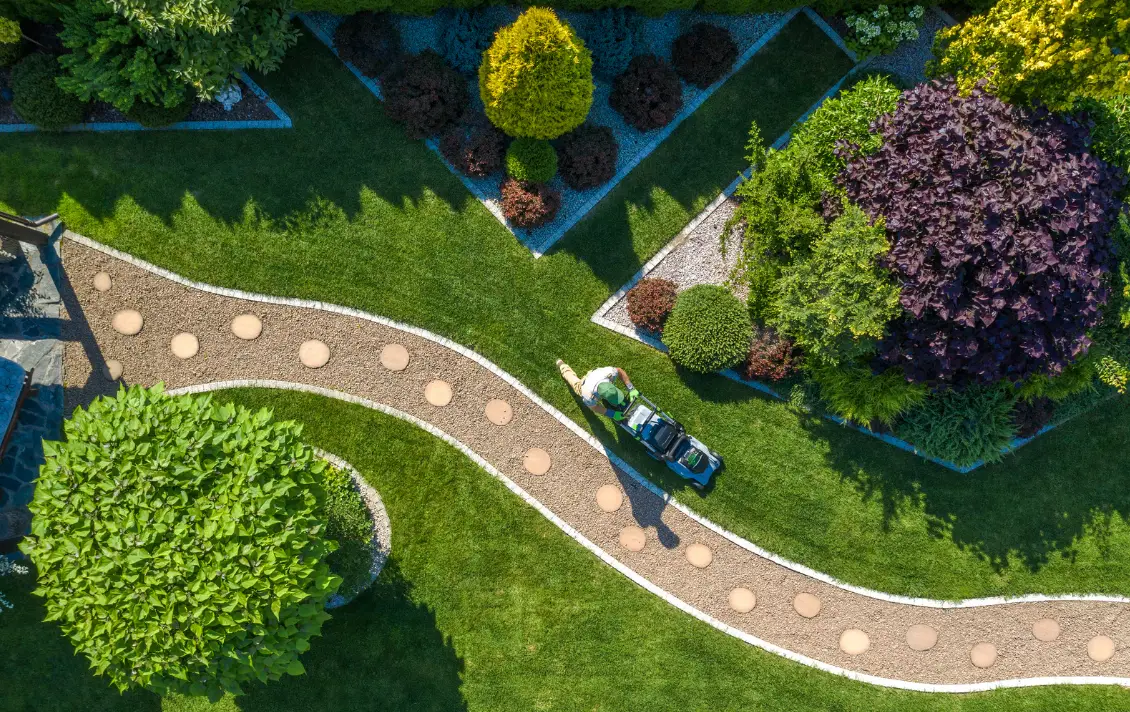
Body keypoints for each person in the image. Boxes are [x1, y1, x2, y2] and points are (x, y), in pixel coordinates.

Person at [556, 360, 638, 420]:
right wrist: (612, 414)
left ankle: (611, 400)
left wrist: (631, 388)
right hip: (584, 384)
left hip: (597, 374)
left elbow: (619, 371)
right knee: (572, 380)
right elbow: (594, 407)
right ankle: (562, 366)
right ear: (600, 396)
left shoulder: (609, 373)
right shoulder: (588, 396)